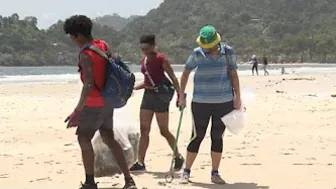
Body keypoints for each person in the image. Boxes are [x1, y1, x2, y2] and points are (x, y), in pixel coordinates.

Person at [63, 15, 137, 189]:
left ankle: (90, 182)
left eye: (72, 37)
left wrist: (78, 110)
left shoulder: (86, 53)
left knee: (83, 138)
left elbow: (88, 83)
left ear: (78, 36)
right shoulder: (103, 45)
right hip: (108, 101)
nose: (73, 41)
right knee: (109, 138)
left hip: (94, 104)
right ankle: (128, 180)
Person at [178, 25, 241, 184]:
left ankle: (215, 173)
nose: (206, 49)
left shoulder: (228, 52)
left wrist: (238, 97)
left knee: (217, 137)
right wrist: (181, 95)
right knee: (197, 136)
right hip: (200, 103)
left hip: (224, 102)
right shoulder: (196, 53)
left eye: (209, 47)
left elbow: (234, 74)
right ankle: (186, 171)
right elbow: (185, 73)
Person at [130, 34, 185, 172]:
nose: (145, 51)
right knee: (144, 130)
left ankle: (178, 156)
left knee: (164, 131)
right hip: (148, 96)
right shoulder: (144, 61)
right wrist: (133, 88)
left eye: (147, 48)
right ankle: (140, 162)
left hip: (161, 97)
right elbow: (148, 81)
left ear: (153, 46)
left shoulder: (161, 59)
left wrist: (180, 96)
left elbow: (173, 77)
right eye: (142, 49)